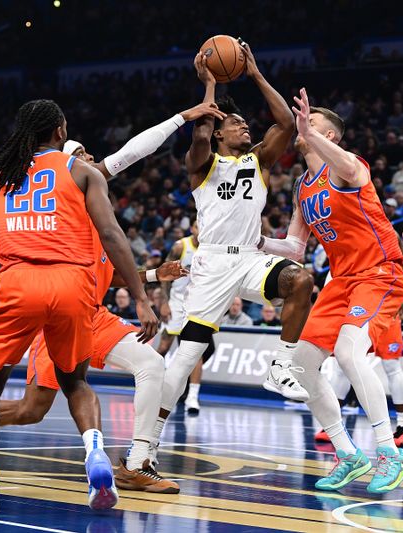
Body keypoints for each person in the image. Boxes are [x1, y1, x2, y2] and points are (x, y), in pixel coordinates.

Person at [0, 99, 159, 513]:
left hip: (18, 284)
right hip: (72, 286)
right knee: (77, 384)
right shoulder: (81, 171)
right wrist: (141, 297)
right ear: (61, 131)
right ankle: (96, 457)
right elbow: (112, 234)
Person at [0, 244, 187, 496]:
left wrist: (153, 275)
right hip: (58, 317)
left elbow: (105, 274)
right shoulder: (67, 213)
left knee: (151, 363)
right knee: (31, 410)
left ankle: (137, 464)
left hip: (94, 316)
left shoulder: (100, 213)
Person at [152, 43, 316, 462]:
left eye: (245, 123)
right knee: (187, 355)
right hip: (211, 264)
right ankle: (148, 439)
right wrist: (209, 83)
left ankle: (281, 367)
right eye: (237, 123)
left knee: (301, 279)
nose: (245, 127)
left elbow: (284, 122)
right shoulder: (202, 164)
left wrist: (256, 73)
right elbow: (201, 132)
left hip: (248, 258)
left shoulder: (258, 160)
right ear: (220, 131)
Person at [261, 89, 403, 493]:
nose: (299, 130)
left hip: (378, 273)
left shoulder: (348, 168)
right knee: (301, 365)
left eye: (311, 127)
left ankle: (390, 453)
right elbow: (295, 247)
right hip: (341, 280)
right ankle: (348, 453)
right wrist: (256, 241)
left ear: (328, 137)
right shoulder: (303, 188)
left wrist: (309, 133)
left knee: (348, 352)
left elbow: (354, 170)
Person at [316, 236, 403, 448]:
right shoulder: (342, 236)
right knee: (343, 364)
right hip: (357, 306)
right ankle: (333, 425)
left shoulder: (384, 230)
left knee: (391, 365)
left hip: (384, 303)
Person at [156, 220, 213, 415]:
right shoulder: (181, 246)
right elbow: (164, 274)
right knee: (163, 347)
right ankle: (151, 384)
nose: (201, 230)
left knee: (194, 350)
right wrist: (163, 302)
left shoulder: (212, 249)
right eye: (198, 226)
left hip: (198, 305)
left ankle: (192, 398)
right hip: (176, 301)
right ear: (192, 229)